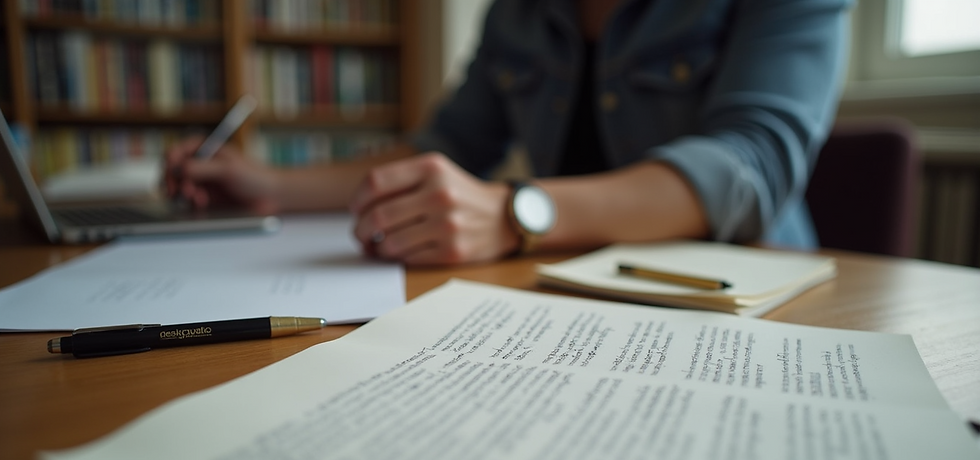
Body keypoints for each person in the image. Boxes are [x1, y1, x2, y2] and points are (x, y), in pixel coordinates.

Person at [166, 0, 851, 266]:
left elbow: (751, 161)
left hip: (743, 294)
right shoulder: (516, 15)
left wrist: (513, 212)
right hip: (567, 284)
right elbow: (444, 149)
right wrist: (269, 185)